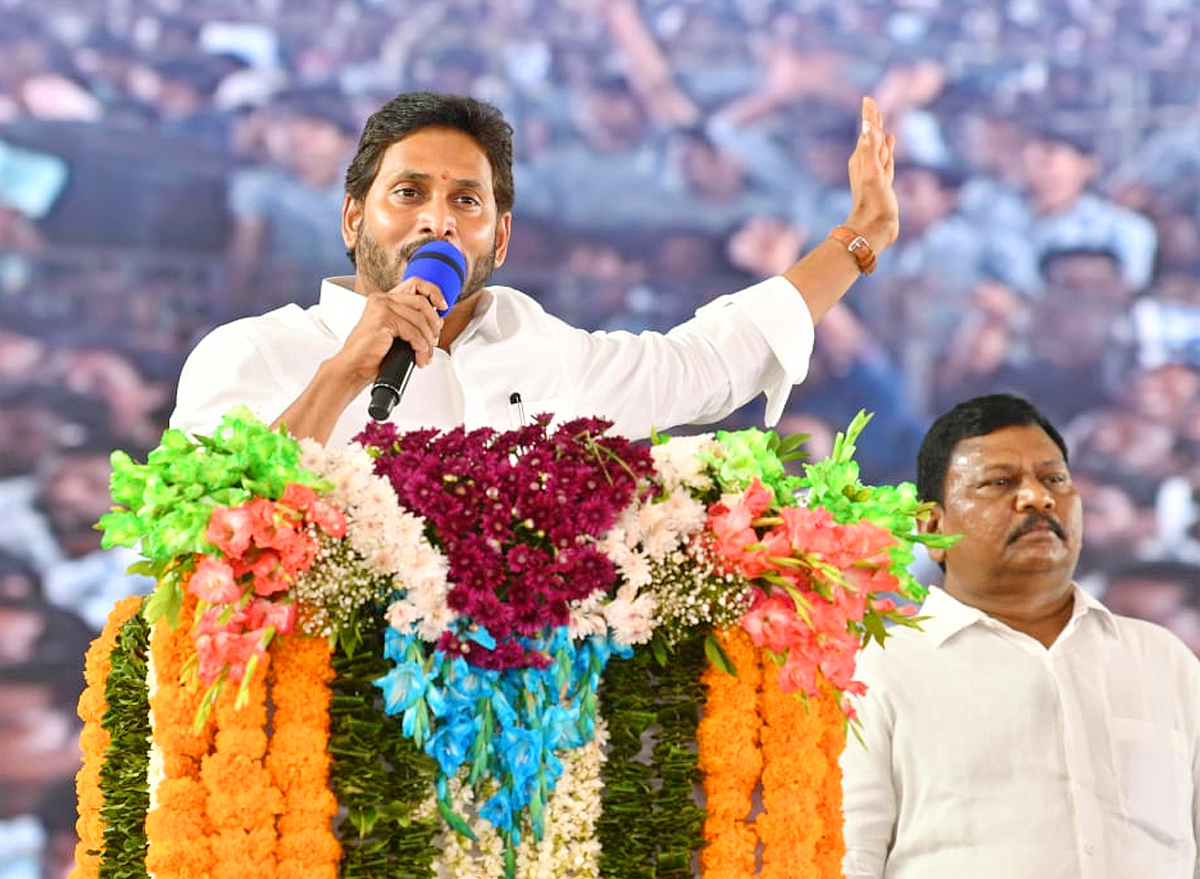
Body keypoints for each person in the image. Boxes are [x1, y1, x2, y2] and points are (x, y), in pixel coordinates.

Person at [170, 89, 898, 446]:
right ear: (353, 217)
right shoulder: (251, 354)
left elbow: (713, 358)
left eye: (467, 200)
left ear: (501, 238)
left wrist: (858, 239)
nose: (438, 219)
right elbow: (205, 532)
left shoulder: (550, 354)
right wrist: (337, 379)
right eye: (408, 193)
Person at [841, 392, 1200, 879]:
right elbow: (845, 858)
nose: (1038, 497)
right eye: (999, 482)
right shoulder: (878, 667)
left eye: (1054, 478)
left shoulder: (1163, 661)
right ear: (931, 525)